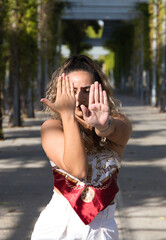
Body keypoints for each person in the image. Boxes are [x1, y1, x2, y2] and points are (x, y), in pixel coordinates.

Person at [31, 55, 132, 240]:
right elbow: (78, 169)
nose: (78, 98)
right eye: (71, 91)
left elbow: (117, 130)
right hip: (58, 226)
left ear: (99, 90)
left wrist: (103, 127)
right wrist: (67, 115)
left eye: (86, 90)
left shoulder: (118, 123)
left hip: (102, 229)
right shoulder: (53, 127)